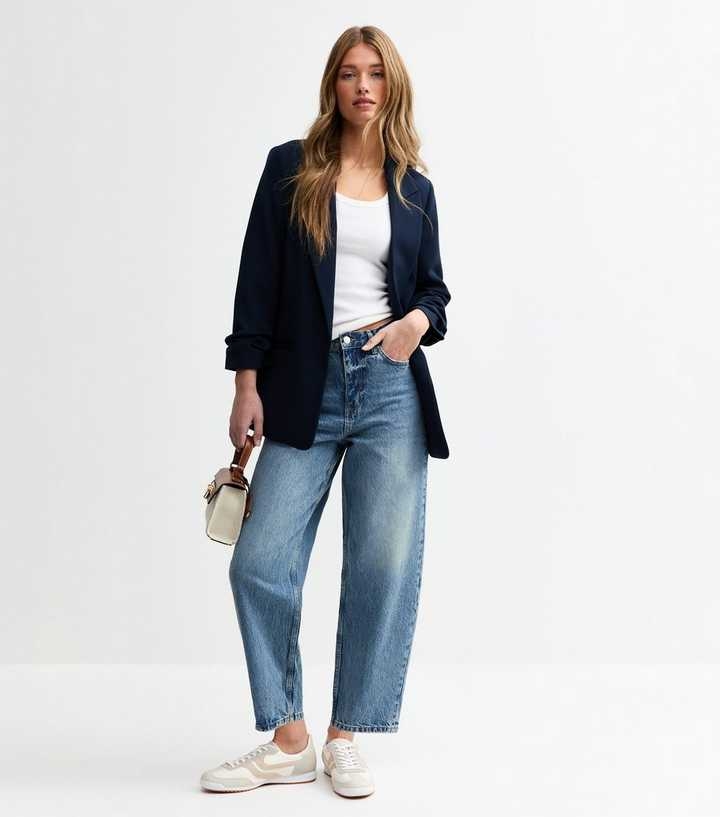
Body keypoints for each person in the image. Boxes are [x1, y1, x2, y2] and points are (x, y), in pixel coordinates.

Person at [200, 24, 451, 799]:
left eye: (375, 73)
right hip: (303, 385)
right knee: (259, 561)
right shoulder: (291, 168)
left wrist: (414, 324)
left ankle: (345, 736)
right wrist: (246, 384)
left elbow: (434, 292)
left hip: (389, 387)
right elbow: (256, 281)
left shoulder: (413, 187)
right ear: (332, 86)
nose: (362, 85)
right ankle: (289, 738)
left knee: (382, 563)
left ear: (392, 85)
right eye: (349, 73)